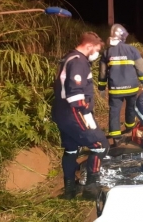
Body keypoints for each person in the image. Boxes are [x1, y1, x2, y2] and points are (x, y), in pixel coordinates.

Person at [51, 32, 110, 200]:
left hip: (62, 112)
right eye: (96, 50)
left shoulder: (68, 58)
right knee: (100, 145)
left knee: (70, 150)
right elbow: (76, 95)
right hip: (74, 112)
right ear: (89, 46)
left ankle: (70, 189)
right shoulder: (79, 62)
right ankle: (91, 188)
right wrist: (87, 114)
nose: (96, 54)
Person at [98, 24, 143, 143]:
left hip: (115, 89)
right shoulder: (132, 50)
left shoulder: (107, 52)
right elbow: (141, 67)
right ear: (123, 36)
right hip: (132, 88)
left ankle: (116, 138)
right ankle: (130, 129)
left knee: (114, 112)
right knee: (131, 108)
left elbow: (102, 72)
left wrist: (101, 87)